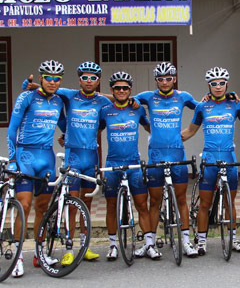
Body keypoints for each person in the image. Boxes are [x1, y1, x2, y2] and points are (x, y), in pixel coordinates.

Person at [24, 61, 112, 265]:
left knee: (87, 204)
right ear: (79, 79)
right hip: (73, 157)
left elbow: (117, 101)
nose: (89, 81)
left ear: (98, 80)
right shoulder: (69, 95)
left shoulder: (101, 102)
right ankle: (69, 247)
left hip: (91, 157)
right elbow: (47, 86)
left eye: (93, 78)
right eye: (85, 77)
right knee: (72, 205)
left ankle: (85, 246)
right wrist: (31, 86)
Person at [181, 67, 240, 255]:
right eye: (214, 83)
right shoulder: (202, 106)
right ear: (209, 86)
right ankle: (202, 241)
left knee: (231, 202)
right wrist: (170, 141)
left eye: (222, 83)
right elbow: (190, 131)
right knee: (205, 203)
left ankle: (234, 238)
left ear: (227, 84)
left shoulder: (235, 105)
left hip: (230, 157)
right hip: (210, 158)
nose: (218, 86)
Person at [134, 62, 198, 258]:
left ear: (174, 79)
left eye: (168, 78)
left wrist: (188, 132)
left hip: (177, 153)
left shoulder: (183, 97)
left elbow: (206, 108)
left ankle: (186, 241)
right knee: (155, 201)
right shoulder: (147, 97)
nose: (164, 82)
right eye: (160, 79)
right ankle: (150, 243)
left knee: (181, 200)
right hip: (156, 155)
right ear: (156, 81)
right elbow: (122, 99)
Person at [8, 60, 66, 277]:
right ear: (41, 78)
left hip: (46, 157)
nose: (52, 82)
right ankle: (17, 255)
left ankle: (39, 252)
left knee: (43, 208)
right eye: (48, 77)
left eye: (57, 78)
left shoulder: (59, 101)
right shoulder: (27, 97)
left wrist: (66, 136)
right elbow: (12, 130)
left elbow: (64, 124)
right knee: (23, 205)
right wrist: (13, 158)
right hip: (25, 156)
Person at [99, 71, 153, 259]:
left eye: (125, 88)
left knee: (141, 204)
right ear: (112, 90)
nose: (121, 91)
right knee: (111, 205)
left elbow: (149, 127)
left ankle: (149, 244)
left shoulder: (137, 109)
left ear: (130, 90)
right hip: (112, 164)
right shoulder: (105, 110)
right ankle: (113, 245)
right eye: (117, 88)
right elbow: (92, 130)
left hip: (134, 164)